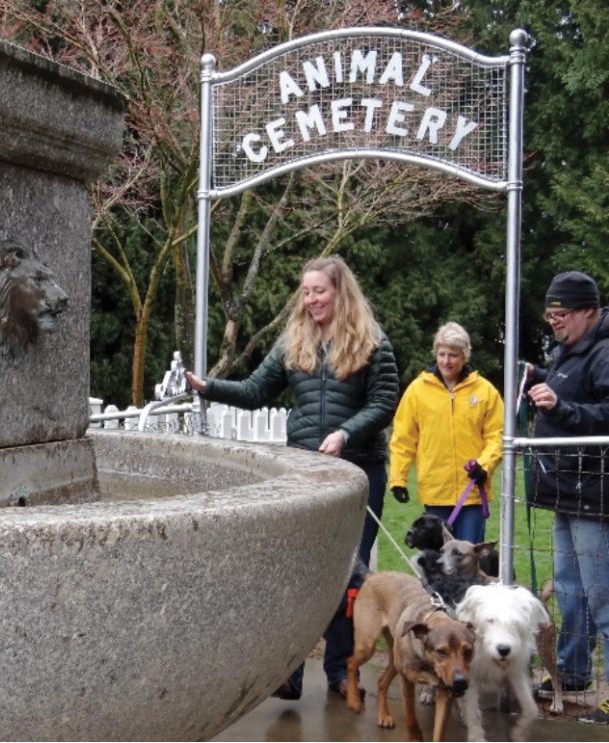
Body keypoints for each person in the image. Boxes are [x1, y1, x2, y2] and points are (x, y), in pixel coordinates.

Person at [185, 255, 398, 701]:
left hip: (359, 470)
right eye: (305, 291)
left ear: (340, 292)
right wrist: (209, 387)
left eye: (318, 290)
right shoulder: (292, 342)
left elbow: (384, 404)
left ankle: (341, 671)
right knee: (300, 572)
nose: (310, 299)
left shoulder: (373, 343)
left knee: (348, 573)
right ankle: (289, 672)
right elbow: (255, 391)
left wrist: (345, 433)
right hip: (307, 471)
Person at [525, 270, 609, 725]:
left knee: (603, 597)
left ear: (589, 312)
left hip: (595, 494)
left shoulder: (604, 352)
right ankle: (574, 673)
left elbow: (603, 412)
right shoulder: (567, 351)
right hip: (566, 489)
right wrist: (540, 377)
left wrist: (562, 406)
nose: (553, 322)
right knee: (571, 591)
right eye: (550, 314)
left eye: (561, 314)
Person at [388, 322, 504, 544]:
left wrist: (485, 465)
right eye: (442, 354)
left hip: (472, 492)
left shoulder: (485, 391)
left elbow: (495, 435)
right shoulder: (417, 390)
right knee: (439, 559)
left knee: (468, 555)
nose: (446, 361)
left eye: (453, 355)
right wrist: (398, 479)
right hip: (435, 490)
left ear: (465, 356)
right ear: (435, 354)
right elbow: (403, 438)